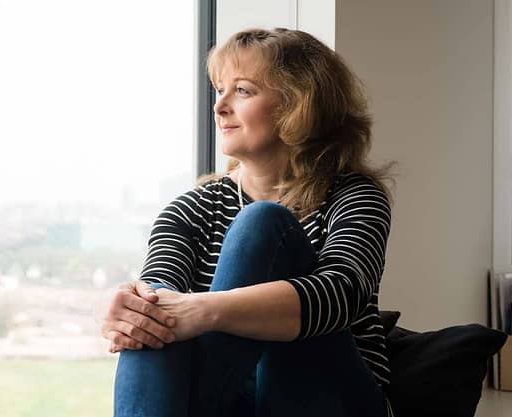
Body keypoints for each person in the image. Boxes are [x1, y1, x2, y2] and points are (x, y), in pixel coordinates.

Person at [101, 27, 396, 417]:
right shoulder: (189, 210)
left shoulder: (354, 196)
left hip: (332, 397)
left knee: (262, 224)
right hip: (229, 400)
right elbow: (162, 298)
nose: (220, 106)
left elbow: (341, 294)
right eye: (218, 90)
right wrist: (131, 313)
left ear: (299, 104)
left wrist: (201, 310)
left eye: (242, 91)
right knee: (151, 315)